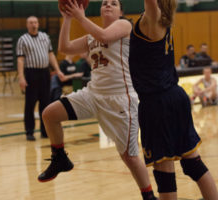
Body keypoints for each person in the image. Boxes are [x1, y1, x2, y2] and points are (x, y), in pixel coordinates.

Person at [38, 0, 157, 199]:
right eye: (104, 3)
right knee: (49, 114)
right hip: (93, 94)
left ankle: (149, 196)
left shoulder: (125, 25)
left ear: (120, 11)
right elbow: (64, 48)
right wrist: (67, 18)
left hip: (120, 99)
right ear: (100, 10)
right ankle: (60, 158)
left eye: (113, 3)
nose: (108, 5)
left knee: (129, 156)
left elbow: (104, 35)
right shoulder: (91, 36)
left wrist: (79, 16)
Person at [129, 1, 218, 200]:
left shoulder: (152, 17)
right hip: (174, 96)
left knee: (165, 174)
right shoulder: (162, 18)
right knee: (193, 164)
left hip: (157, 103)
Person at [17, 16, 63, 141]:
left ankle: (45, 131)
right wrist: (21, 77)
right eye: (31, 22)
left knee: (45, 103)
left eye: (36, 22)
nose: (34, 24)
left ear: (38, 24)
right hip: (31, 73)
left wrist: (58, 70)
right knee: (30, 104)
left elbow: (51, 54)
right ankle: (29, 131)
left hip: (45, 73)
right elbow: (20, 59)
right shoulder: (23, 39)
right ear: (27, 25)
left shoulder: (45, 37)